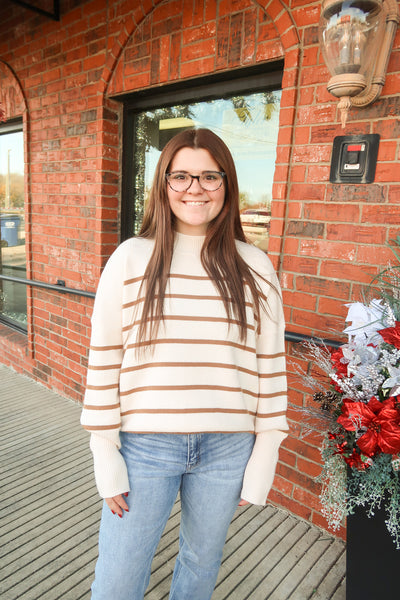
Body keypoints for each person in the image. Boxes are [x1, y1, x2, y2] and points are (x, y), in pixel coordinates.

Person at [81, 128, 289, 600]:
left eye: (209, 176)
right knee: (117, 578)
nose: (195, 188)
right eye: (182, 176)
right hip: (144, 447)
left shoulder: (254, 265)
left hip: (227, 448)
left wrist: (265, 454)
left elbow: (270, 364)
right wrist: (105, 452)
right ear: (164, 185)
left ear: (227, 185)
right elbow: (104, 357)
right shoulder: (130, 258)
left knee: (200, 565)